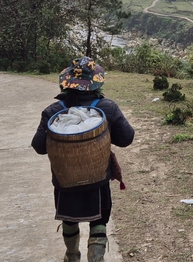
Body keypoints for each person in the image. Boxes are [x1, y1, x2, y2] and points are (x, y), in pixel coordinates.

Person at [32, 57, 134, 262]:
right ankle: (96, 259)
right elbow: (126, 139)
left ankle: (71, 255)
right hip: (97, 180)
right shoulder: (107, 108)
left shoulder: (53, 111)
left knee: (69, 219)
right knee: (99, 221)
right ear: (97, 82)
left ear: (67, 81)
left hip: (65, 181)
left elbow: (39, 147)